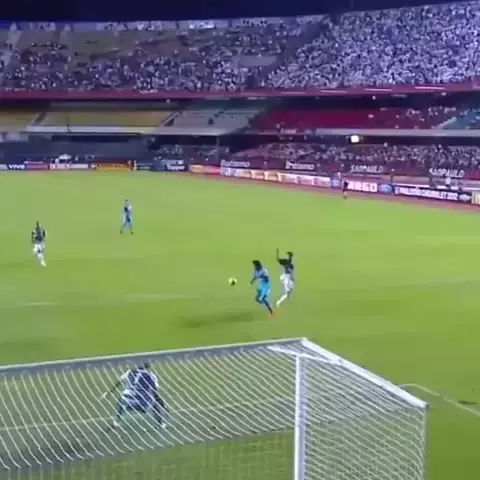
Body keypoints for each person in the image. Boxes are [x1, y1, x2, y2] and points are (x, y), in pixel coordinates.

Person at [101, 362, 167, 429]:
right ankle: (161, 423)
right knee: (154, 404)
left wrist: (108, 393)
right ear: (148, 367)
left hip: (128, 402)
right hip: (144, 405)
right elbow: (154, 392)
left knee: (121, 399)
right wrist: (163, 405)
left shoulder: (130, 372)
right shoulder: (152, 375)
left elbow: (118, 382)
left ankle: (116, 421)